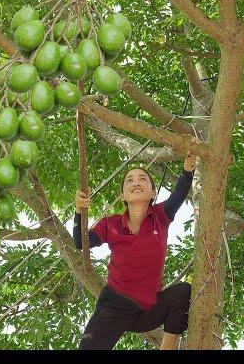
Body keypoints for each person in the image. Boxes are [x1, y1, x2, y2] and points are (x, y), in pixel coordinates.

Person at [72, 137, 200, 350]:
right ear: (122, 195)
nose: (136, 182)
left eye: (143, 178)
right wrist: (78, 211)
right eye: (129, 180)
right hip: (115, 304)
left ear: (153, 193)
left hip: (148, 310)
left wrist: (188, 169)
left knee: (183, 292)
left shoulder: (161, 215)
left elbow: (179, 194)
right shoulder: (110, 224)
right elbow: (80, 242)